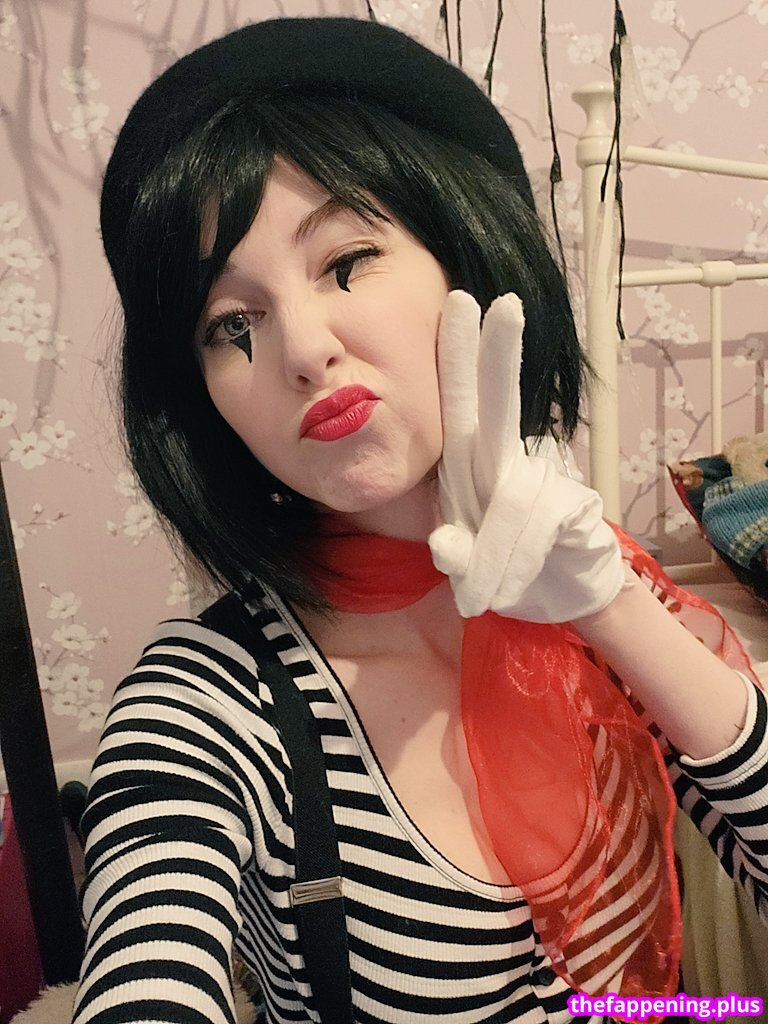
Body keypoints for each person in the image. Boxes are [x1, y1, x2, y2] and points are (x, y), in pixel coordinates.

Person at [72, 16, 767, 1024]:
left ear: (463, 252)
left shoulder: (589, 574)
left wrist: (612, 606)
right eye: (232, 323)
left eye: (346, 262)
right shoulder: (211, 699)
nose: (303, 349)